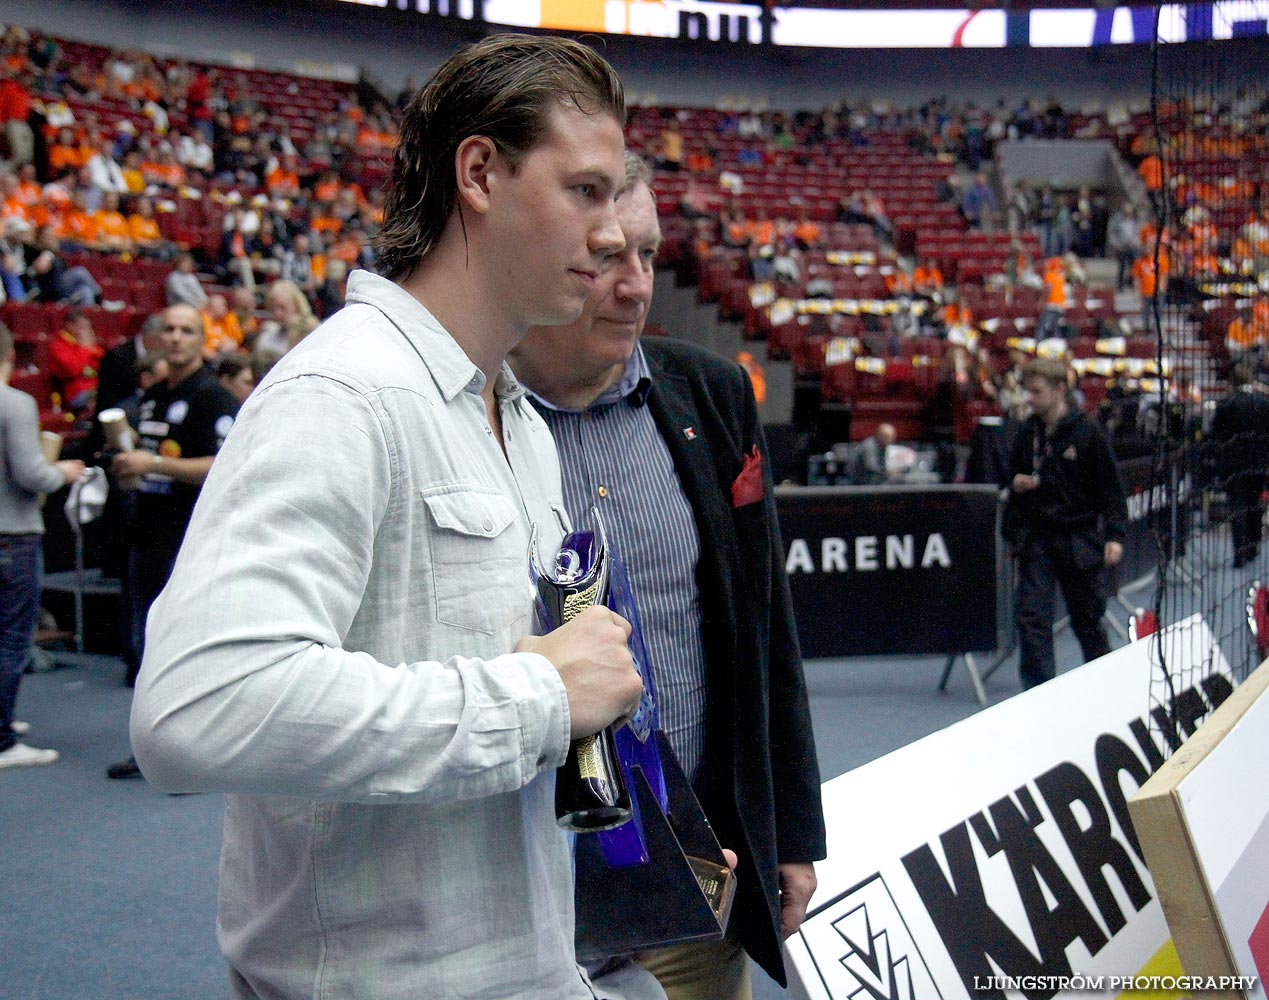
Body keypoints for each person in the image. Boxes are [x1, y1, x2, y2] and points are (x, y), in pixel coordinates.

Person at [129, 35, 651, 1000]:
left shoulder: (517, 419)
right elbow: (195, 707)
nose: (615, 231)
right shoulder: (341, 393)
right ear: (481, 174)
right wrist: (535, 699)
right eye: (586, 191)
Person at [511, 154, 824, 1000]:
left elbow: (767, 630)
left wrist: (786, 831)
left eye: (647, 256)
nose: (636, 286)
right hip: (527, 889)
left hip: (695, 870)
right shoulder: (462, 416)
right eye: (608, 258)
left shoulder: (711, 393)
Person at [106, 303, 239, 716]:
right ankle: (152, 735)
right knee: (150, 641)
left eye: (187, 330)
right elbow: (148, 457)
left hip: (190, 538)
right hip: (147, 532)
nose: (177, 338)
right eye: (170, 330)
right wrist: (132, 466)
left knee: (187, 642)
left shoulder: (212, 396)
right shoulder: (155, 395)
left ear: (202, 340)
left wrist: (156, 465)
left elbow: (224, 465)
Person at [1005, 357, 1127, 689]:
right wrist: (1016, 487)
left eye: (1036, 391)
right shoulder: (1026, 431)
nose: (1030, 398)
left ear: (1060, 390)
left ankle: (1105, 688)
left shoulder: (1088, 431)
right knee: (1032, 619)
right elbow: (1011, 478)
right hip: (1037, 539)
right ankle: (1039, 697)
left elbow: (1111, 488)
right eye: (1027, 391)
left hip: (1079, 538)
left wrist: (1115, 535)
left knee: (1087, 620)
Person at [1, 321, 85, 768]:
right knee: (12, 635)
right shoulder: (14, 403)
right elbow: (30, 474)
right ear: (10, 355)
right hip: (11, 533)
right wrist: (64, 474)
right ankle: (1, 740)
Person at [1209, 364, 1269, 568]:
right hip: (1259, 465)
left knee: (1237, 507)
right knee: (1254, 505)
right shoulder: (1263, 403)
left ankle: (1240, 553)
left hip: (1234, 466)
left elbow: (1215, 436)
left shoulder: (1226, 404)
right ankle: (1253, 547)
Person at [851, 421, 898, 485]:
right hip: (861, 484)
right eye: (887, 437)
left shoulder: (883, 446)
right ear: (879, 435)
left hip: (875, 481)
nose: (891, 440)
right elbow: (871, 467)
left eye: (892, 437)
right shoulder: (869, 446)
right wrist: (887, 472)